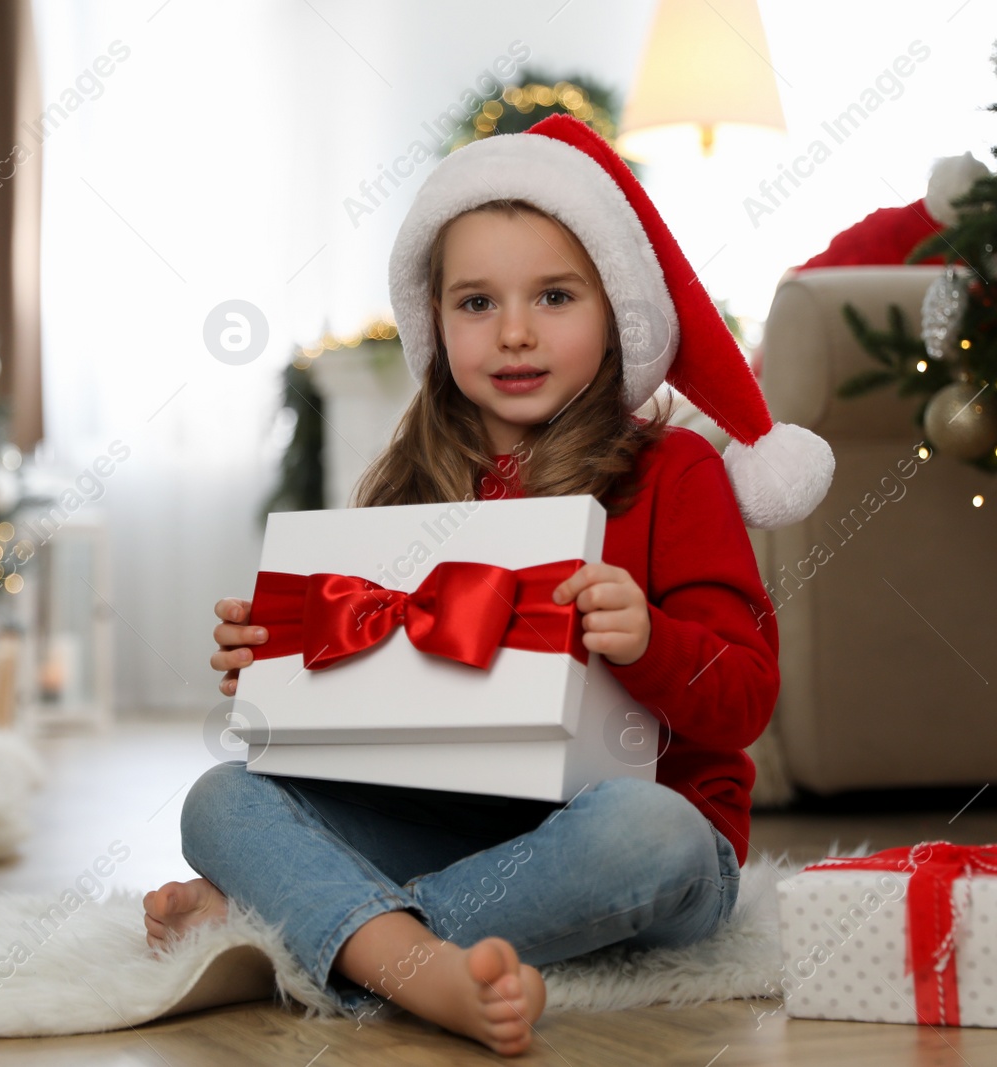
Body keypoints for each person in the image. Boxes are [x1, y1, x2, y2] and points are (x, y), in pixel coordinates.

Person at [143, 113, 833, 1057]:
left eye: (554, 296)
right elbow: (377, 688)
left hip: (621, 833)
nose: (514, 333)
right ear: (435, 320)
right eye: (476, 303)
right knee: (218, 796)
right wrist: (281, 657)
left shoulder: (675, 472)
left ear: (616, 311)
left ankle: (328, 936)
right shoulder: (410, 480)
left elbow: (746, 697)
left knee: (652, 831)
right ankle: (411, 959)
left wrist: (650, 641)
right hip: (457, 827)